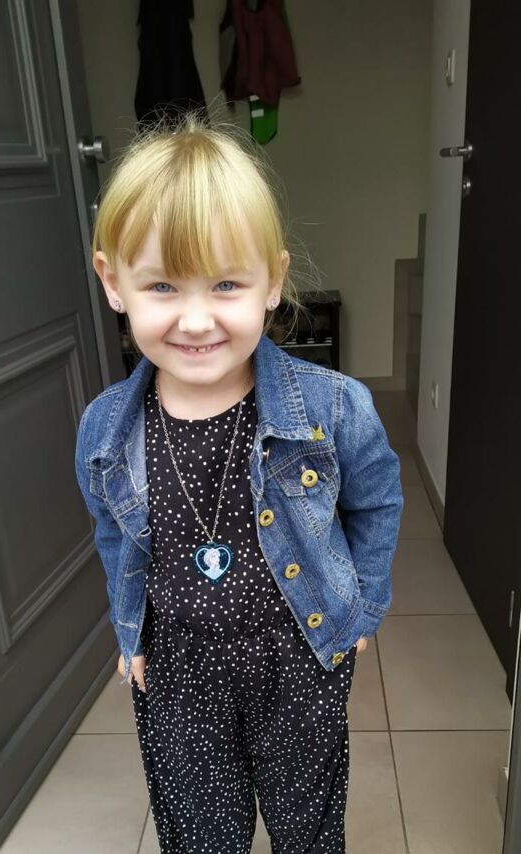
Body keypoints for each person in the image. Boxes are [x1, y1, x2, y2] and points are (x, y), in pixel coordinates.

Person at [74, 109, 404, 854]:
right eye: (163, 286)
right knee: (198, 834)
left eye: (225, 283)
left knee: (307, 827)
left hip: (297, 659)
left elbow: (377, 501)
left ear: (272, 281)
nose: (196, 321)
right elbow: (112, 533)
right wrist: (129, 631)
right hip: (180, 669)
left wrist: (364, 607)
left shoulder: (332, 409)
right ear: (114, 283)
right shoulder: (105, 430)